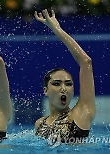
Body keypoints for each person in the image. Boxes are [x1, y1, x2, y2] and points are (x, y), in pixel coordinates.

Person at [34, 9, 95, 144]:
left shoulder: (81, 114)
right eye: (56, 83)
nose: (64, 88)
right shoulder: (40, 124)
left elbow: (86, 62)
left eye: (68, 84)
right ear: (45, 90)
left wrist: (57, 29)